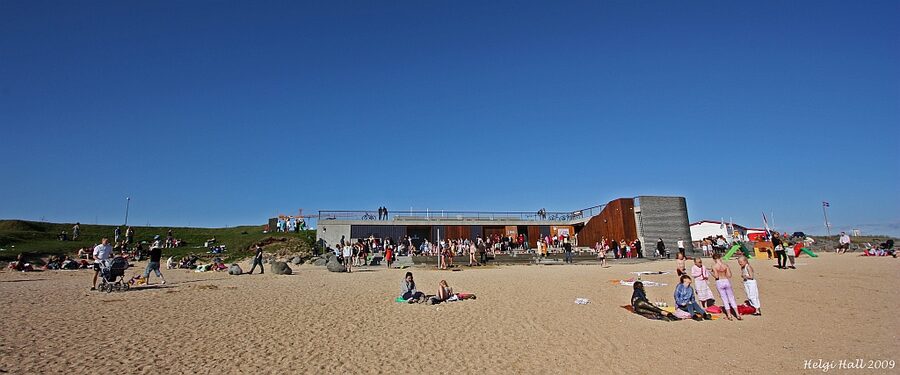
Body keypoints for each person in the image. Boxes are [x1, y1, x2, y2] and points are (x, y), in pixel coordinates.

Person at [712, 253, 742, 321]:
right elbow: (729, 275)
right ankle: (737, 314)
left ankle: (729, 315)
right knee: (731, 298)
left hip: (719, 281)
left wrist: (711, 273)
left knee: (724, 299)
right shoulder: (725, 265)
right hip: (726, 280)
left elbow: (716, 276)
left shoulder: (714, 266)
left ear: (714, 259)